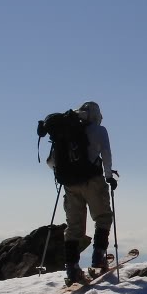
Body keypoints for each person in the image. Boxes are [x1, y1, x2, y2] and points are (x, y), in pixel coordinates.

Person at [47, 101, 117, 283]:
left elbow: (51, 162)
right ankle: (99, 257)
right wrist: (109, 176)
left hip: (70, 184)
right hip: (93, 181)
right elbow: (106, 153)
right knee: (103, 217)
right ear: (96, 114)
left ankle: (72, 269)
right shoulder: (98, 131)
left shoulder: (66, 132)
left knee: (74, 227)